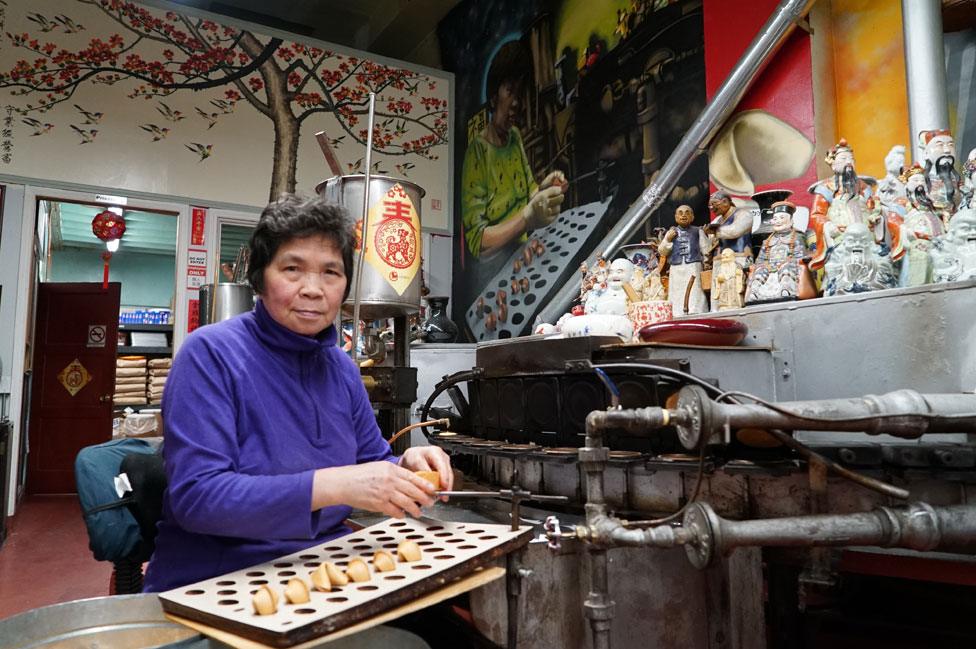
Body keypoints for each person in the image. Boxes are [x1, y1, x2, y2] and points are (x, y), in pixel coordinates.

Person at [143, 195, 453, 593]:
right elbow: (199, 497)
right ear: (260, 277)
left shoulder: (340, 367)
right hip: (220, 579)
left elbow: (371, 461)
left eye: (331, 272)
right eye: (292, 269)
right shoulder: (210, 355)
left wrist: (406, 465)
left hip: (321, 566)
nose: (313, 289)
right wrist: (336, 486)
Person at [461, 40, 566, 283]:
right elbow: (478, 242)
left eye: (520, 93)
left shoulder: (514, 138)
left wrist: (546, 188)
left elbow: (528, 192)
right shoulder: (477, 152)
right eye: (510, 91)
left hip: (521, 255)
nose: (517, 103)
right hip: (491, 271)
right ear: (494, 94)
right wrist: (527, 219)